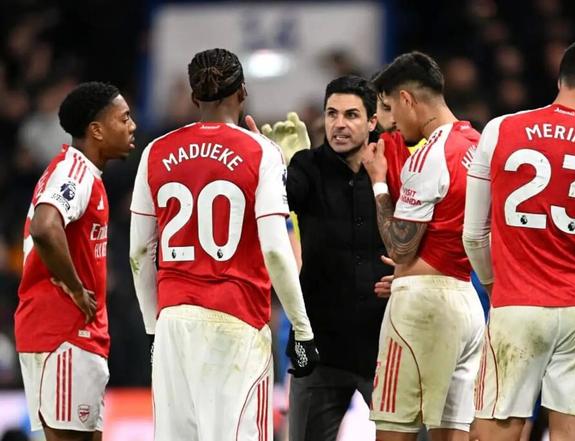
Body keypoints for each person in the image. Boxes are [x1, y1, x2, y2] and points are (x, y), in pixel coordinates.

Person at [129, 48, 318, 441]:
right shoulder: (260, 151)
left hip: (173, 324)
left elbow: (140, 253)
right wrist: (302, 329)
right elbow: (275, 250)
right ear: (242, 92)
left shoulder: (155, 152)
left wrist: (153, 329)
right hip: (235, 323)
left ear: (194, 97)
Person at [463, 38, 575, 441]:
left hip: (516, 306)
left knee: (495, 436)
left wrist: (494, 286)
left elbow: (474, 235)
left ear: (561, 79)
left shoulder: (499, 130)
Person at [362, 51, 485, 441]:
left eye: (390, 108)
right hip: (467, 302)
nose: (392, 123)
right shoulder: (477, 145)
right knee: (453, 432)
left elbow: (400, 247)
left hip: (422, 309)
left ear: (406, 99)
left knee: (394, 431)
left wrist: (379, 183)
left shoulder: (430, 155)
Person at [15, 81, 136, 441]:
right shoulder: (75, 173)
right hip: (63, 333)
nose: (132, 126)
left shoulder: (83, 174)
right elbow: (44, 227)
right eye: (123, 118)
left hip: (73, 336)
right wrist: (75, 287)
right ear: (96, 130)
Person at [282, 75, 393, 441]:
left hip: (385, 347)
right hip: (319, 348)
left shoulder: (395, 165)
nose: (339, 124)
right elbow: (277, 204)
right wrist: (267, 167)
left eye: (351, 115)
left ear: (372, 121)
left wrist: (410, 275)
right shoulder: (306, 167)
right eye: (332, 114)